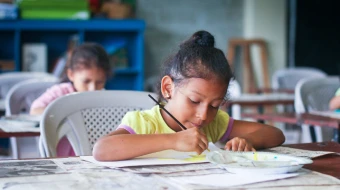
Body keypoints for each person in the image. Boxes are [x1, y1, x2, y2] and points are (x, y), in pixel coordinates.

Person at [92, 31, 285, 161]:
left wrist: (248, 141)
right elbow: (101, 149)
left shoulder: (213, 123)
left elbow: (275, 134)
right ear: (168, 88)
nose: (203, 115)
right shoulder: (144, 123)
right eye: (194, 100)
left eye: (215, 105)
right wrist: (173, 141)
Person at [30, 42, 111, 156]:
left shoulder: (107, 98)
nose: (93, 89)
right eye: (86, 81)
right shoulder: (61, 91)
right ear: (71, 74)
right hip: (61, 157)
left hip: (93, 157)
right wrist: (65, 114)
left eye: (99, 82)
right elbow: (35, 110)